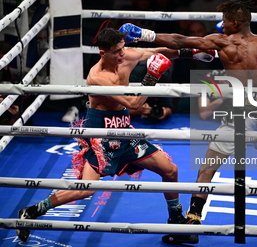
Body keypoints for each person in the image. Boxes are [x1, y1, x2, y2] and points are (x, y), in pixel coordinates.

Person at [119, 0, 257, 245]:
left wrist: (144, 34)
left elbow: (180, 40)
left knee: (208, 166)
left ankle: (193, 222)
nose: (221, 25)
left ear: (235, 22)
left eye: (225, 21)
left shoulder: (223, 42)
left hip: (239, 113)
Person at [15, 28, 216, 243]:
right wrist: (152, 76)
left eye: (122, 48)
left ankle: (175, 221)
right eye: (116, 52)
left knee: (170, 170)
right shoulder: (97, 77)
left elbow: (159, 52)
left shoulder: (126, 54)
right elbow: (134, 103)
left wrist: (190, 53)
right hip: (101, 135)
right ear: (103, 53)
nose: (122, 54)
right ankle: (33, 211)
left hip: (124, 130)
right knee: (85, 190)